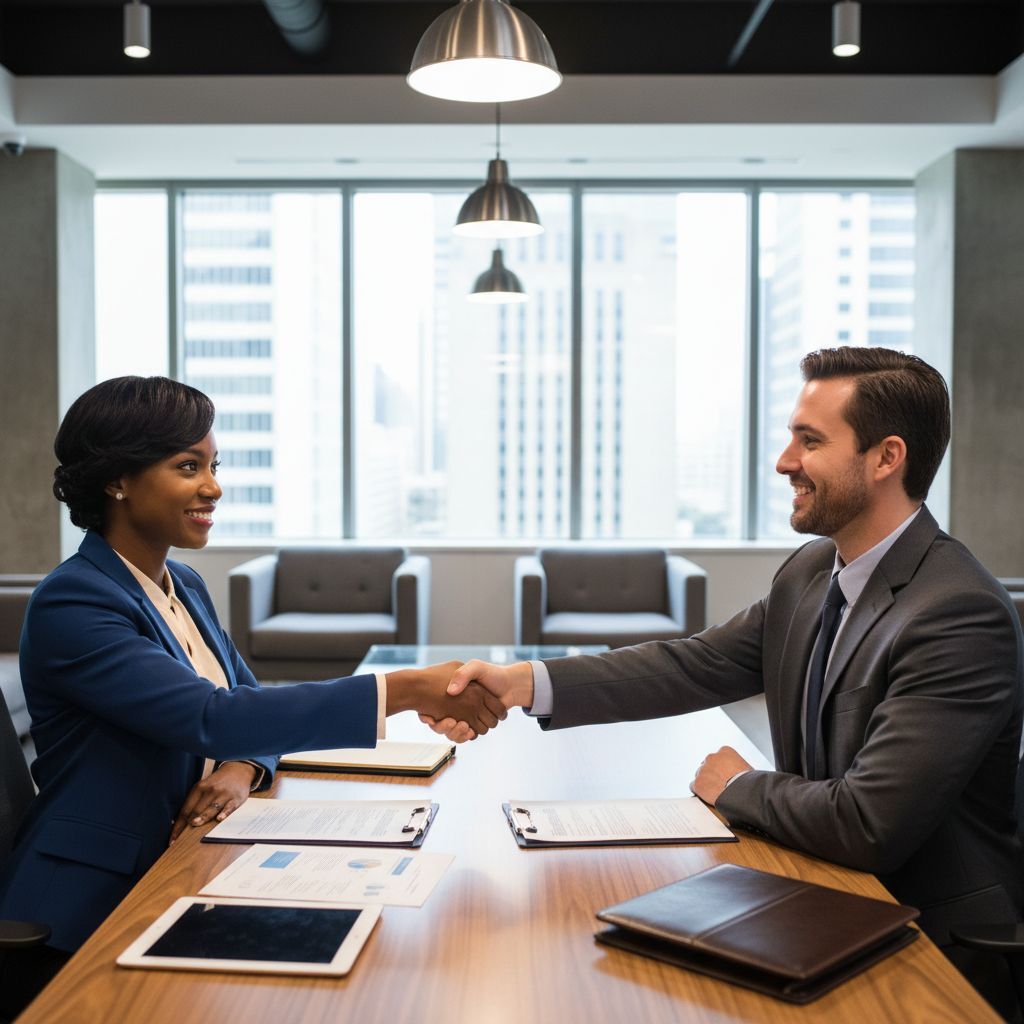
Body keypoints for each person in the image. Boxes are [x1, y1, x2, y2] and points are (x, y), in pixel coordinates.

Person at [429, 347, 1024, 1017]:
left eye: (810, 440)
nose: (783, 462)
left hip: (925, 945)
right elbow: (693, 665)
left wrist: (738, 785)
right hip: (821, 898)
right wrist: (520, 682)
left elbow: (868, 823)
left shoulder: (956, 614)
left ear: (887, 459)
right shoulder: (809, 573)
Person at [0, 376, 503, 1020]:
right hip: (96, 900)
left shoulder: (181, 582)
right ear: (116, 480)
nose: (213, 486)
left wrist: (243, 766)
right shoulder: (75, 602)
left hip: (188, 858)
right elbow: (213, 716)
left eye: (214, 466)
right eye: (188, 466)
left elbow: (249, 702)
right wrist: (400, 690)